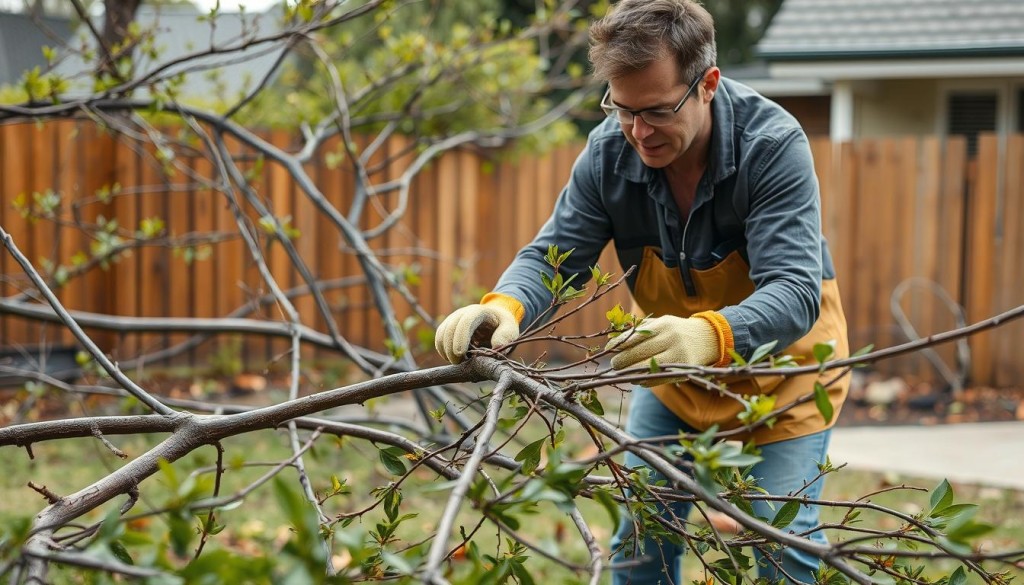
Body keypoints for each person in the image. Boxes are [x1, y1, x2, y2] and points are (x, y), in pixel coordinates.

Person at [434, 0, 850, 582]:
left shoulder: (772, 145)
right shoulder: (609, 152)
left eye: (655, 111)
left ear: (708, 84)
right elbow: (553, 258)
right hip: (672, 377)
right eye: (622, 109)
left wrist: (709, 333)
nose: (637, 132)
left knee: (783, 542)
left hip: (784, 379)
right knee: (642, 538)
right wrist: (503, 307)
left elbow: (796, 291)